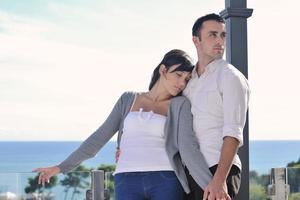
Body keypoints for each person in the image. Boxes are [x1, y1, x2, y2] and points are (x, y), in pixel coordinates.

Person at [33, 49, 213, 200]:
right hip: (126, 180)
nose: (182, 83)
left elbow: (189, 149)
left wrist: (212, 187)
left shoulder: (179, 105)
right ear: (163, 70)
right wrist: (61, 167)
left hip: (165, 179)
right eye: (178, 74)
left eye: (187, 79)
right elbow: (99, 138)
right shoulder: (128, 99)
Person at [182, 14, 250, 200]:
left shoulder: (231, 77)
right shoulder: (187, 81)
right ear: (196, 41)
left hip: (217, 169)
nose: (220, 40)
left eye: (223, 35)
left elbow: (233, 132)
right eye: (213, 35)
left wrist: (219, 180)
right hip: (188, 171)